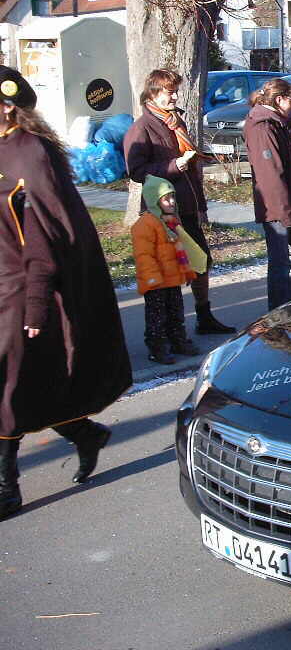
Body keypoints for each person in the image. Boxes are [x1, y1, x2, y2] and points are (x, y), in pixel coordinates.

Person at [0, 66, 130, 519]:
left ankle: (7, 487)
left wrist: (38, 301)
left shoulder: (28, 153)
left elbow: (47, 234)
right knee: (30, 382)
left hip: (23, 290)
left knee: (9, 385)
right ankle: (84, 433)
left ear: (7, 107)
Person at [123, 69, 234, 335]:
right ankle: (167, 333)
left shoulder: (174, 121)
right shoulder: (141, 128)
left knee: (201, 262)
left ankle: (204, 317)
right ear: (153, 94)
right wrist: (174, 166)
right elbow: (136, 172)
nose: (174, 97)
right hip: (164, 212)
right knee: (170, 271)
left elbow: (188, 162)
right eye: (169, 92)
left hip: (187, 205)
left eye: (175, 92)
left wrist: (200, 202)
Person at [244, 79, 291, 310]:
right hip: (277, 207)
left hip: (290, 203)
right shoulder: (262, 127)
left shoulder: (276, 123)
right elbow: (271, 174)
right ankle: (278, 313)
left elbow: (281, 159)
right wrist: (285, 212)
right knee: (281, 263)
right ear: (279, 99)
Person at [131, 175, 204, 364]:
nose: (171, 202)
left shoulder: (170, 222)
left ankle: (178, 341)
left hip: (172, 279)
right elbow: (144, 255)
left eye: (172, 197)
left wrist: (187, 272)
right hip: (156, 282)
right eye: (166, 198)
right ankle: (157, 348)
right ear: (154, 200)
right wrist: (152, 279)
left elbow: (181, 252)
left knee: (176, 313)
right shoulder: (145, 224)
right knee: (157, 317)